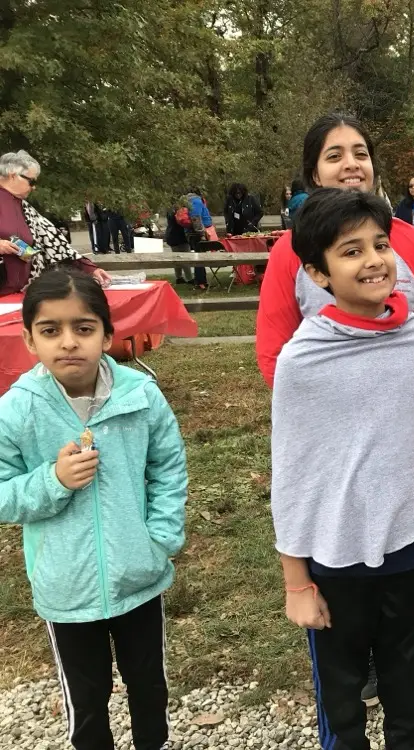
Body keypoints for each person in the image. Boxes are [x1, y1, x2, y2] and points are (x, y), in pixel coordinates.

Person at [254, 112, 414, 716]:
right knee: (344, 651)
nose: (351, 164)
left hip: (403, 456)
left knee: (402, 613)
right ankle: (356, 661)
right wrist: (334, 407)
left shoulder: (409, 241)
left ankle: (408, 660)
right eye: (335, 154)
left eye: (360, 151)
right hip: (334, 448)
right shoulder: (294, 252)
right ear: (313, 170)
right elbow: (276, 351)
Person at [0, 268, 188, 750]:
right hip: (67, 586)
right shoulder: (17, 410)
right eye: (50, 330)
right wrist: (53, 481)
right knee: (87, 696)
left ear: (107, 335)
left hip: (139, 576)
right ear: (29, 340)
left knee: (148, 685)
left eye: (83, 328)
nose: (68, 342)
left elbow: (168, 467)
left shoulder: (139, 395)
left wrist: (161, 538)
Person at [0, 151, 112, 294]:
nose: (34, 187)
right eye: (32, 181)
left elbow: (55, 244)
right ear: (13, 175)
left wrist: (90, 268)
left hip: (18, 293)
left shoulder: (25, 207)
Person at [177, 188, 213, 291]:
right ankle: (200, 282)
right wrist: (202, 233)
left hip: (192, 233)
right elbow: (195, 218)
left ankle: (201, 281)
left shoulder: (187, 201)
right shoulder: (196, 201)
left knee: (199, 256)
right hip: (197, 234)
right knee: (199, 257)